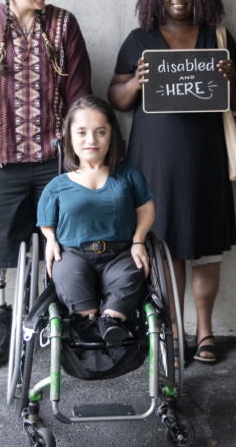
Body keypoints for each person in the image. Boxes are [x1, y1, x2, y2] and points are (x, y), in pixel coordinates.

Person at [108, 0, 236, 364]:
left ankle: (206, 333)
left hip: (205, 157)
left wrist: (229, 78)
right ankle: (172, 331)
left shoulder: (217, 38)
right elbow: (116, 98)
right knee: (164, 246)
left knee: (204, 246)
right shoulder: (141, 40)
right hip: (155, 160)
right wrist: (136, 81)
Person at [0, 0, 92, 368]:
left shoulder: (63, 24)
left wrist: (79, 154)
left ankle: (59, 319)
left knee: (64, 241)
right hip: (1, 158)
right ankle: (5, 321)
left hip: (54, 161)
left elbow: (79, 93)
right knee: (4, 247)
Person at [38, 96, 155, 348]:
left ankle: (111, 321)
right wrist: (50, 240)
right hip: (73, 254)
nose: (91, 140)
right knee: (68, 276)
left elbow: (146, 208)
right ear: (69, 137)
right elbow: (46, 220)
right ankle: (88, 321)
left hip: (121, 252)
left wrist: (139, 241)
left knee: (132, 274)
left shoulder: (128, 174)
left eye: (100, 132)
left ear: (111, 135)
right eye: (81, 132)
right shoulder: (58, 185)